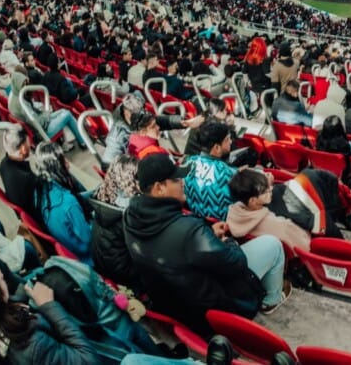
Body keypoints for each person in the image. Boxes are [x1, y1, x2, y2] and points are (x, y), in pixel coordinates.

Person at [124, 154, 286, 333]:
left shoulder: (129, 217)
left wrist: (206, 236)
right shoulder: (188, 232)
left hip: (176, 304)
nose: (183, 182)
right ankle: (270, 301)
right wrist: (228, 241)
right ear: (159, 187)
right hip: (212, 307)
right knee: (273, 244)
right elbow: (236, 263)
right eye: (177, 179)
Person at [0, 245, 154, 364]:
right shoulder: (32, 346)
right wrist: (50, 307)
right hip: (89, 354)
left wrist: (27, 289)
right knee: (127, 333)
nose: (5, 281)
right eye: (1, 279)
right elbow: (88, 360)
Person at [89, 154, 144, 291]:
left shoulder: (106, 195)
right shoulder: (128, 212)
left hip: (109, 268)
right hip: (130, 276)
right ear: (131, 182)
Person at [226, 168, 311, 253]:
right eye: (265, 190)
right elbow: (306, 247)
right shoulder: (282, 225)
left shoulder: (232, 215)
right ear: (253, 200)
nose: (271, 188)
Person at [33, 142, 93, 262]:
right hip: (89, 255)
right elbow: (89, 238)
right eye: (63, 160)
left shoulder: (39, 191)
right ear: (57, 167)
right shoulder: (68, 204)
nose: (68, 164)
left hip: (73, 250)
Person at [184, 121, 239, 220]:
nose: (231, 141)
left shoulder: (188, 163)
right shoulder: (228, 172)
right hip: (223, 227)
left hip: (196, 221)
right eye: (227, 139)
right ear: (217, 148)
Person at [0, 128, 43, 222]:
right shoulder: (27, 179)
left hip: (27, 212)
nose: (30, 145)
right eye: (28, 142)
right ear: (22, 149)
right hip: (40, 215)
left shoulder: (3, 165)